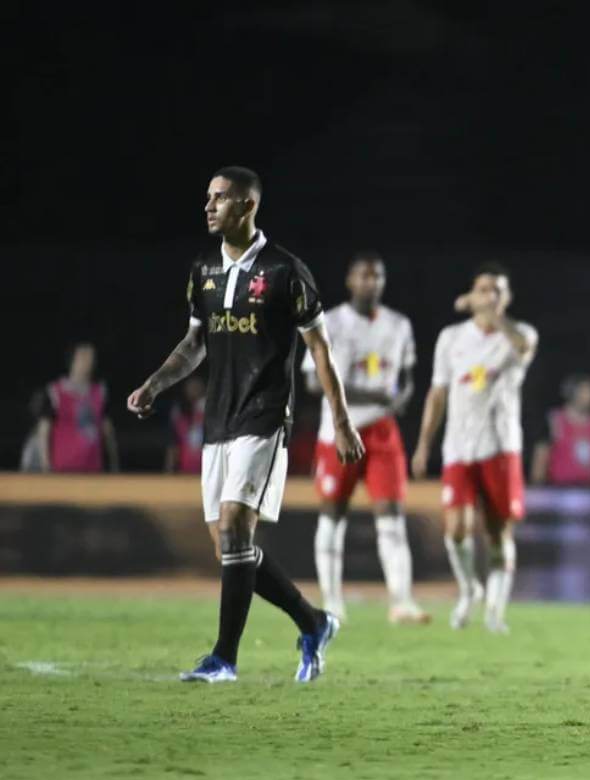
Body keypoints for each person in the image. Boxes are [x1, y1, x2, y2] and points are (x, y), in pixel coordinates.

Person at [127, 165, 365, 684]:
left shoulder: (286, 271)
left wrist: (342, 421)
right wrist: (153, 385)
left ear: (247, 205)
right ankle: (314, 621)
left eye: (219, 198)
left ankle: (224, 659)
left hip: (264, 415)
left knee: (236, 525)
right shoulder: (203, 269)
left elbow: (320, 350)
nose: (208, 206)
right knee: (229, 549)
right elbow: (195, 344)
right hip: (219, 417)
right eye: (207, 197)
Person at [302, 250, 428, 624]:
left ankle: (402, 602)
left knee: (391, 514)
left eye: (377, 276)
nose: (370, 282)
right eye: (364, 276)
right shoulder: (331, 322)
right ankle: (332, 601)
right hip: (341, 429)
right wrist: (375, 396)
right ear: (350, 281)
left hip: (383, 432)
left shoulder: (398, 324)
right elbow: (312, 380)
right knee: (333, 513)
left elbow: (405, 377)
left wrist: (400, 397)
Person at [412, 263, 538, 633]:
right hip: (458, 449)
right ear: (473, 292)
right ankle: (469, 589)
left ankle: (495, 613)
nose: (491, 296)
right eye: (484, 290)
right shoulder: (451, 338)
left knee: (499, 534)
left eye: (497, 291)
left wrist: (489, 313)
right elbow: (437, 393)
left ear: (507, 298)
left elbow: (522, 345)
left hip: (500, 448)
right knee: (456, 530)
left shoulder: (519, 333)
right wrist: (423, 445)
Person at [37, 342, 120, 472]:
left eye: (91, 356)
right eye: (84, 356)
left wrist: (114, 464)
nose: (89, 360)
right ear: (72, 359)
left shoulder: (100, 392)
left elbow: (108, 431)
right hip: (62, 469)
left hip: (93, 470)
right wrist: (45, 465)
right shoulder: (55, 392)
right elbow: (44, 430)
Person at [530, 374, 590, 485]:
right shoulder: (554, 421)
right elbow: (541, 457)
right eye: (585, 392)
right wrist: (538, 487)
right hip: (560, 490)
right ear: (571, 393)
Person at [165, 375, 206, 474]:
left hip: (205, 467)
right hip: (184, 469)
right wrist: (169, 469)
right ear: (185, 390)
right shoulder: (178, 413)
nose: (194, 390)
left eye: (196, 387)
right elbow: (173, 444)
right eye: (191, 387)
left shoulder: (208, 411)